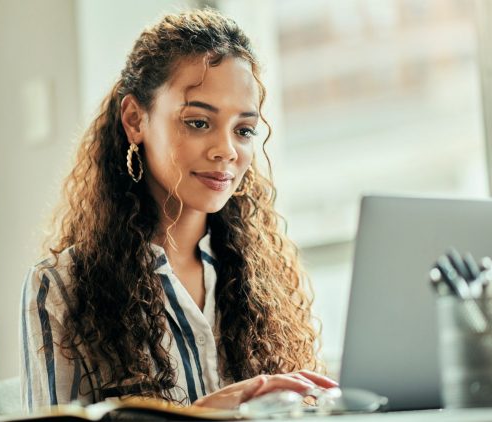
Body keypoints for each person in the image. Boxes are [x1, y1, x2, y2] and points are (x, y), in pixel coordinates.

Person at [20, 8, 336, 413]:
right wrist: (201, 415)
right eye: (198, 122)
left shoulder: (265, 277)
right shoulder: (62, 287)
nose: (226, 150)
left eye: (243, 130)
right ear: (135, 119)